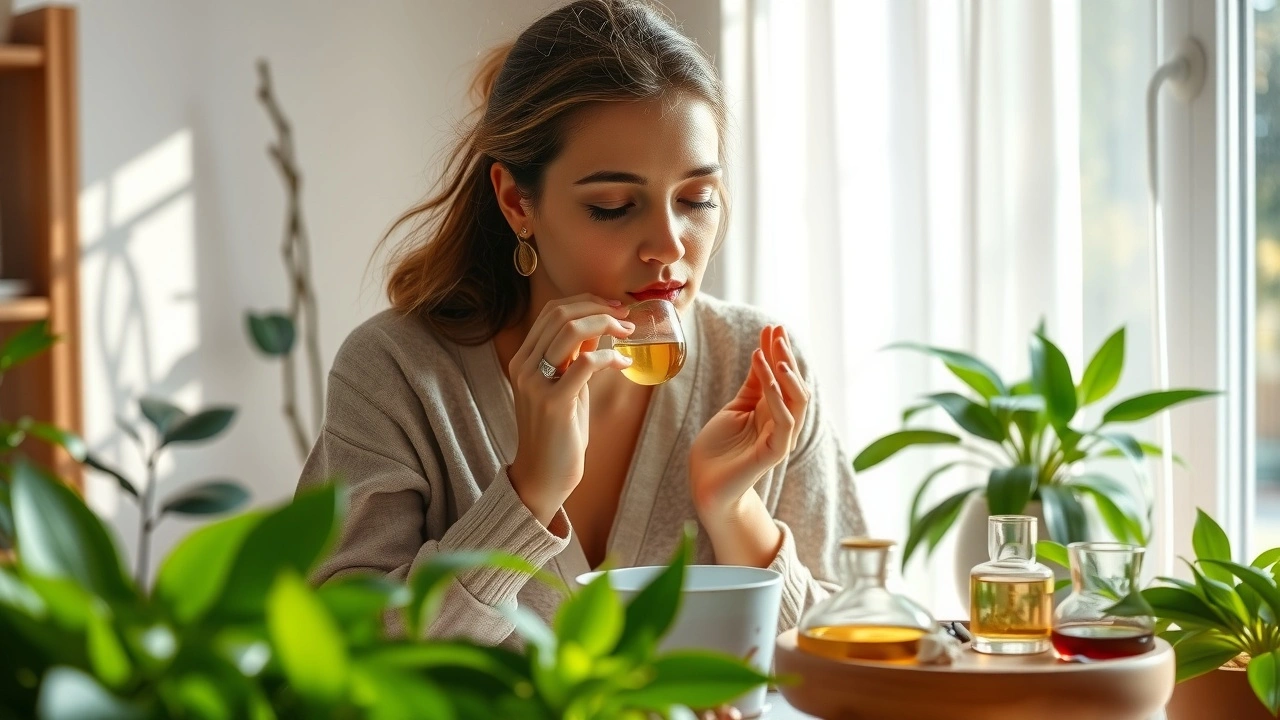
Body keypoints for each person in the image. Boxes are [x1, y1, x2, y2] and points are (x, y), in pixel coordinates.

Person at [297, 0, 865, 645]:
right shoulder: (399, 372)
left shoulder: (756, 365)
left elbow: (859, 661)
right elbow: (337, 654)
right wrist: (526, 495)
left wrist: (736, 513)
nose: (670, 244)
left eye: (696, 199)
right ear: (518, 202)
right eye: (613, 206)